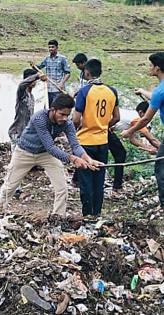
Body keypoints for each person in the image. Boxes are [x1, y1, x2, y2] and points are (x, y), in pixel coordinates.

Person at [0, 94, 101, 218]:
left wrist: (87, 159)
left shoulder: (67, 123)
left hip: (44, 155)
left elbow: (75, 145)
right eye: (61, 114)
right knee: (9, 186)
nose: (64, 118)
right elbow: (50, 146)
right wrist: (73, 159)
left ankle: (58, 217)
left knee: (62, 188)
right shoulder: (39, 118)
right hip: (24, 153)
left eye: (67, 115)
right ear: (53, 109)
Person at [73, 59, 120, 216]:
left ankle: (87, 215)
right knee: (99, 181)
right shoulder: (111, 91)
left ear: (87, 72)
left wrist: (77, 130)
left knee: (85, 182)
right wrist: (104, 125)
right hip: (103, 141)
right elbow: (116, 117)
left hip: (85, 142)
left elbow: (75, 119)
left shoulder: (84, 92)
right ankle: (97, 213)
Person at [122, 52, 164, 209]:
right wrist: (142, 91)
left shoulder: (160, 91)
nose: (149, 68)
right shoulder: (159, 91)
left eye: (151, 65)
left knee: (161, 169)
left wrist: (129, 132)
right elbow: (155, 97)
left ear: (157, 68)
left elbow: (146, 119)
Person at [8, 69, 47, 149]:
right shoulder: (22, 94)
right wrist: (37, 76)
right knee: (17, 158)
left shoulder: (31, 97)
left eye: (34, 80)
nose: (34, 82)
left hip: (26, 133)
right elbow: (22, 85)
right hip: (17, 132)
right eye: (31, 80)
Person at [37, 39, 71, 106]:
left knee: (58, 108)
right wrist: (33, 66)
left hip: (58, 89)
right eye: (49, 47)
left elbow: (68, 73)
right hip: (49, 89)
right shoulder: (47, 59)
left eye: (52, 47)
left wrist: (62, 83)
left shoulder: (62, 58)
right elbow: (39, 67)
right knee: (51, 108)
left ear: (57, 48)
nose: (51, 49)